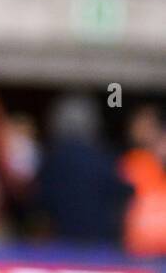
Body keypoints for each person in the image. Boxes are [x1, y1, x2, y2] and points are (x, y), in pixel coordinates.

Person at [35, 95, 134, 244]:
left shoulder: (51, 160)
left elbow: (38, 200)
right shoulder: (105, 158)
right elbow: (124, 193)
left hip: (63, 243)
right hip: (101, 243)